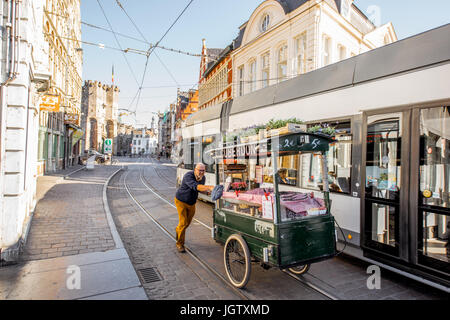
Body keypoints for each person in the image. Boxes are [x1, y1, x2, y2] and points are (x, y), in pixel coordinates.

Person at [174, 163, 214, 252]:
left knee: (187, 223)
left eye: (203, 170)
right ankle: (180, 244)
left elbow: (198, 189)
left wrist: (207, 192)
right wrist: (210, 187)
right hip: (181, 201)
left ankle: (178, 229)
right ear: (195, 169)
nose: (201, 172)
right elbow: (195, 186)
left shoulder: (203, 178)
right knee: (183, 223)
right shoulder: (189, 175)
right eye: (200, 170)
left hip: (191, 202)